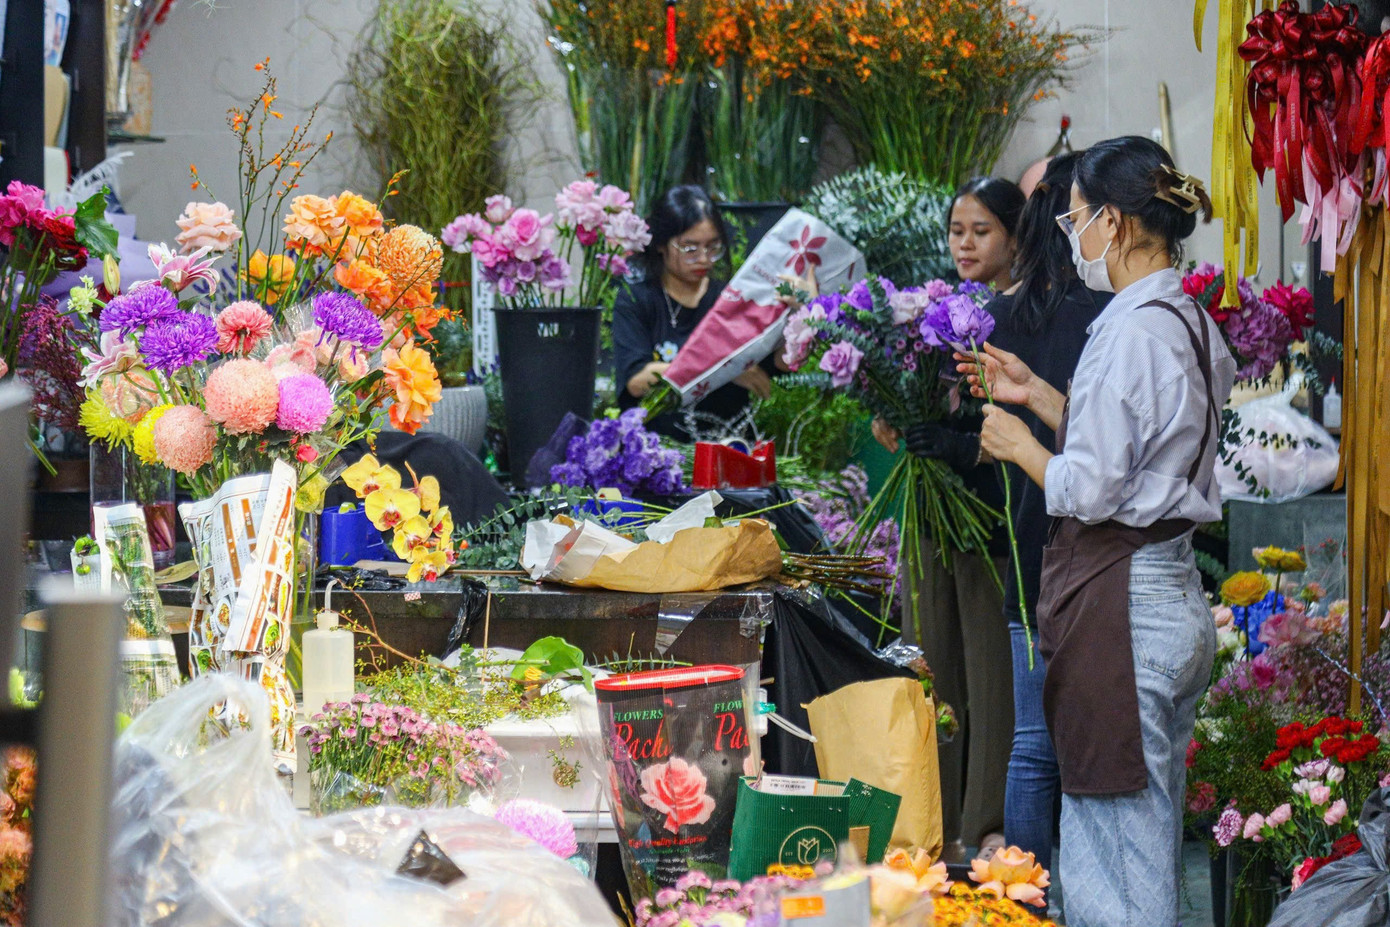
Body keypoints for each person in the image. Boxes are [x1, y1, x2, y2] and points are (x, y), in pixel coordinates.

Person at [965, 136, 1235, 927]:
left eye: (1077, 216)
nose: (1071, 234)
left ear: (1113, 224)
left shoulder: (1125, 330)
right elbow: (1149, 446)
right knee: (1139, 823)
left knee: (1118, 849)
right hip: (1169, 591)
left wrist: (1020, 445)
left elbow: (1091, 486)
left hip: (1125, 609)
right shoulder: (1184, 319)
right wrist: (1044, 395)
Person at [872, 176, 1025, 862]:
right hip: (933, 524)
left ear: (1016, 237)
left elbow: (1025, 433)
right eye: (957, 230)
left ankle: (983, 824)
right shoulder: (934, 314)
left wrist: (963, 448)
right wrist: (897, 417)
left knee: (989, 680)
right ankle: (930, 821)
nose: (965, 244)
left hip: (991, 525)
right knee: (931, 672)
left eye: (982, 231)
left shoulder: (1022, 316)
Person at [983, 153, 1109, 890]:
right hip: (1097, 548)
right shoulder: (1109, 317)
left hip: (1026, 539)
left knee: (1032, 743)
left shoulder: (1001, 318)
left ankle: (1022, 899)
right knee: (1089, 741)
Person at [613, 185, 774, 440]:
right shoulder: (637, 300)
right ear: (661, 245)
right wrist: (725, 369)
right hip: (659, 455)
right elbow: (637, 380)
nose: (704, 259)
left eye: (713, 247)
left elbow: (766, 375)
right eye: (690, 249)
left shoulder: (731, 299)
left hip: (728, 446)